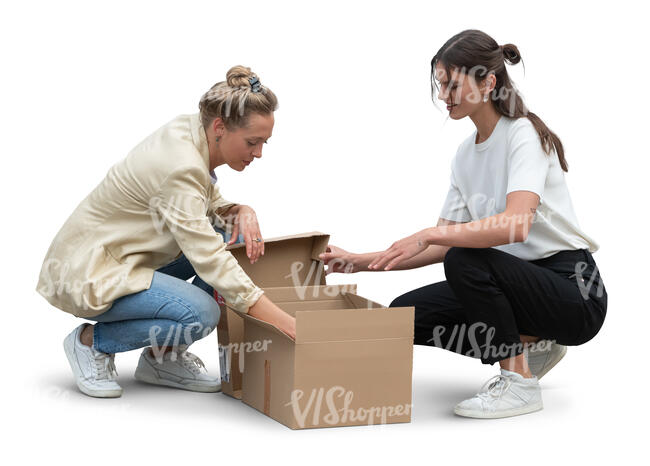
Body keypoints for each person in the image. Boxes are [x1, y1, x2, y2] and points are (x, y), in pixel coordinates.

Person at [320, 30, 607, 419]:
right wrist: (357, 261)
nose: (444, 95)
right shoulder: (463, 156)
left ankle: (519, 383)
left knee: (464, 259)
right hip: (520, 282)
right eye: (441, 85)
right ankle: (533, 345)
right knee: (407, 314)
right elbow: (437, 246)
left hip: (573, 290)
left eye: (453, 84)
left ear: (488, 83)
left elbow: (515, 226)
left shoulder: (523, 134)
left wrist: (430, 233)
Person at [36, 66, 296, 399]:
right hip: (89, 272)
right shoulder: (180, 165)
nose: (258, 153)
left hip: (128, 256)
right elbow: (211, 259)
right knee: (201, 313)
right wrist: (284, 322)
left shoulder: (193, 130)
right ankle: (90, 342)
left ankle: (163, 357)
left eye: (264, 143)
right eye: (252, 142)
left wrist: (242, 210)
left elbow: (202, 201)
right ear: (220, 127)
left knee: (232, 235)